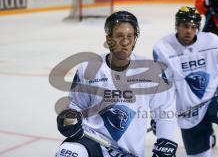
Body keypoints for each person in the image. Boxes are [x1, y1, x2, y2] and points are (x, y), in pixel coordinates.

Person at [55, 11, 178, 157]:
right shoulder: (89, 68)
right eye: (120, 36)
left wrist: (165, 145)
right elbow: (76, 106)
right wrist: (68, 119)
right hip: (92, 143)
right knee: (68, 153)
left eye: (130, 37)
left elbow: (164, 112)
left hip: (128, 152)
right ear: (109, 39)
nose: (125, 42)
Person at [152, 6, 218, 157]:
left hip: (215, 99)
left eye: (193, 27)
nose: (189, 31)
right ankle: (207, 134)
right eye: (185, 26)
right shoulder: (163, 48)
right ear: (177, 25)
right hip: (188, 110)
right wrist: (157, 116)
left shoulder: (212, 40)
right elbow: (163, 86)